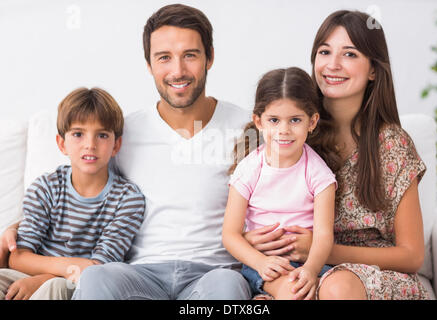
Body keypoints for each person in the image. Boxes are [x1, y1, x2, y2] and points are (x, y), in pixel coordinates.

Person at [67, 4, 252, 299]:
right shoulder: (122, 133)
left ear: (210, 58)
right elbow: (82, 189)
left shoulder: (247, 129)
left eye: (190, 55)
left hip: (214, 274)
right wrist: (18, 229)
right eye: (164, 58)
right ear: (149, 64)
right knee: (96, 277)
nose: (177, 71)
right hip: (141, 275)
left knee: (227, 287)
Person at [244, 10, 430, 300]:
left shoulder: (392, 144)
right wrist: (250, 241)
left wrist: (321, 249)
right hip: (298, 269)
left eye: (350, 54)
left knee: (336, 287)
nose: (332, 65)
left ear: (373, 69)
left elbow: (412, 255)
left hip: (370, 275)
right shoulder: (290, 131)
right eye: (325, 51)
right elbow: (243, 213)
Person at [0, 87, 146, 300]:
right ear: (62, 143)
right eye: (78, 134)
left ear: (116, 145)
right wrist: (56, 270)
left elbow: (97, 270)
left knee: (55, 288)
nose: (90, 145)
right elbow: (18, 257)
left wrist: (45, 280)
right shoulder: (45, 188)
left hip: (80, 284)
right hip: (31, 275)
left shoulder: (127, 199)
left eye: (102, 135)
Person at [222, 67, 337, 300]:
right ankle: (268, 293)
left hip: (309, 262)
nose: (284, 130)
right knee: (293, 293)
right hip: (263, 264)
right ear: (259, 121)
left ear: (312, 121)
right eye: (274, 120)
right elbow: (230, 234)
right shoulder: (250, 169)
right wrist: (260, 261)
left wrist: (311, 270)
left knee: (323, 291)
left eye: (295, 120)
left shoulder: (318, 173)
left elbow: (324, 236)